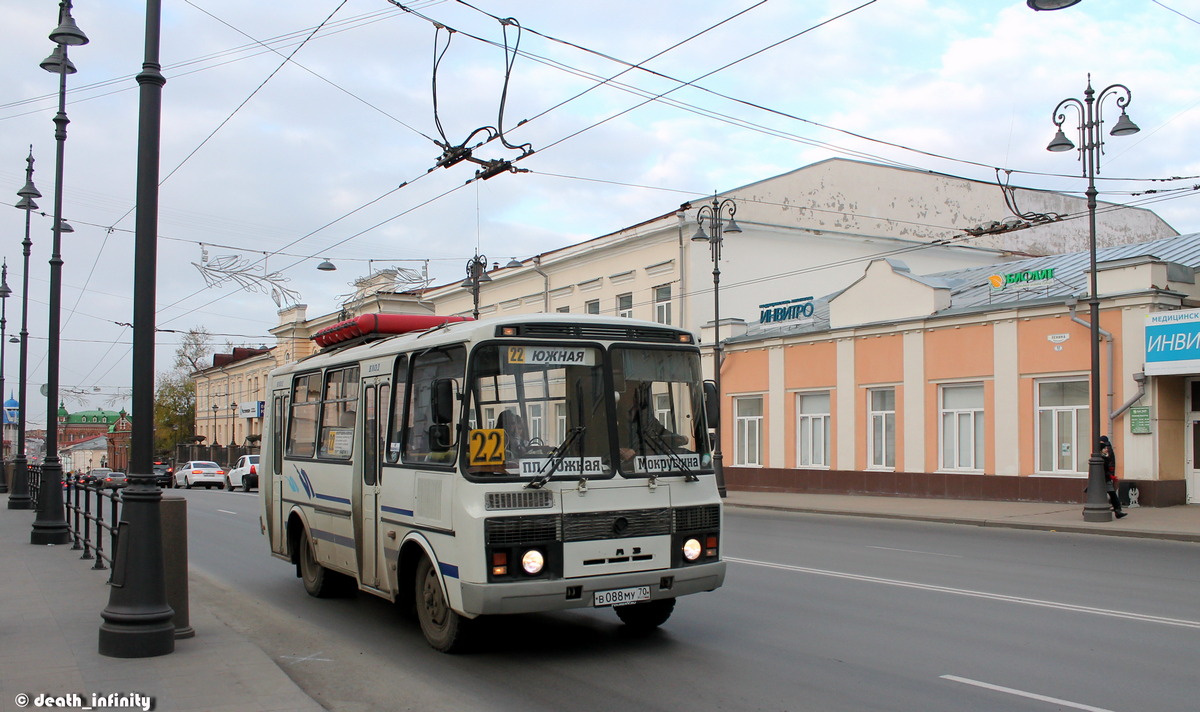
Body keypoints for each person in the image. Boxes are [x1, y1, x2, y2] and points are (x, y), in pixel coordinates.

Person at [1099, 435, 1127, 519]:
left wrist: (1111, 475)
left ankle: (1118, 511)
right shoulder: (1100, 457)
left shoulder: (1105, 456)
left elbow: (1109, 466)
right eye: (1105, 448)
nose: (1106, 449)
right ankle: (1117, 511)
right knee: (1099, 495)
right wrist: (1111, 475)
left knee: (1112, 494)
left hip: (1106, 479)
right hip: (1102, 480)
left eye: (1106, 448)